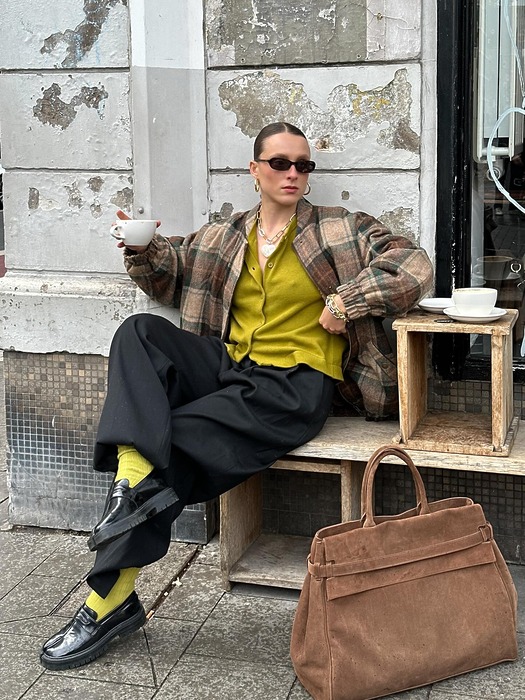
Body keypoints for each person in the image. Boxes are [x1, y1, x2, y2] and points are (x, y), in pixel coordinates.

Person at [40, 122, 433, 670]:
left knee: (168, 448)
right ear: (254, 170)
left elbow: (414, 266)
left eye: (303, 165)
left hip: (294, 383)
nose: (293, 173)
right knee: (139, 333)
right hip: (231, 366)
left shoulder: (339, 228)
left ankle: (106, 601)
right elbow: (169, 272)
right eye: (280, 163)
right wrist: (143, 247)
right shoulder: (225, 236)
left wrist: (347, 301)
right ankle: (128, 486)